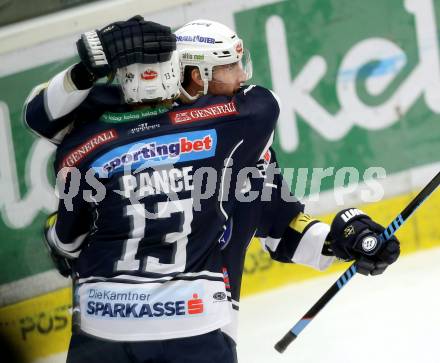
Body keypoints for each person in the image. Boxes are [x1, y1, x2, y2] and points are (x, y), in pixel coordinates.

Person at [23, 17, 400, 363]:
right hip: (196, 329)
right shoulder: (238, 129)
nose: (242, 78)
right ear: (190, 75)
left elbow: (283, 227)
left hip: (103, 328)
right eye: (228, 67)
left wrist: (341, 240)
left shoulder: (95, 130)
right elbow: (263, 105)